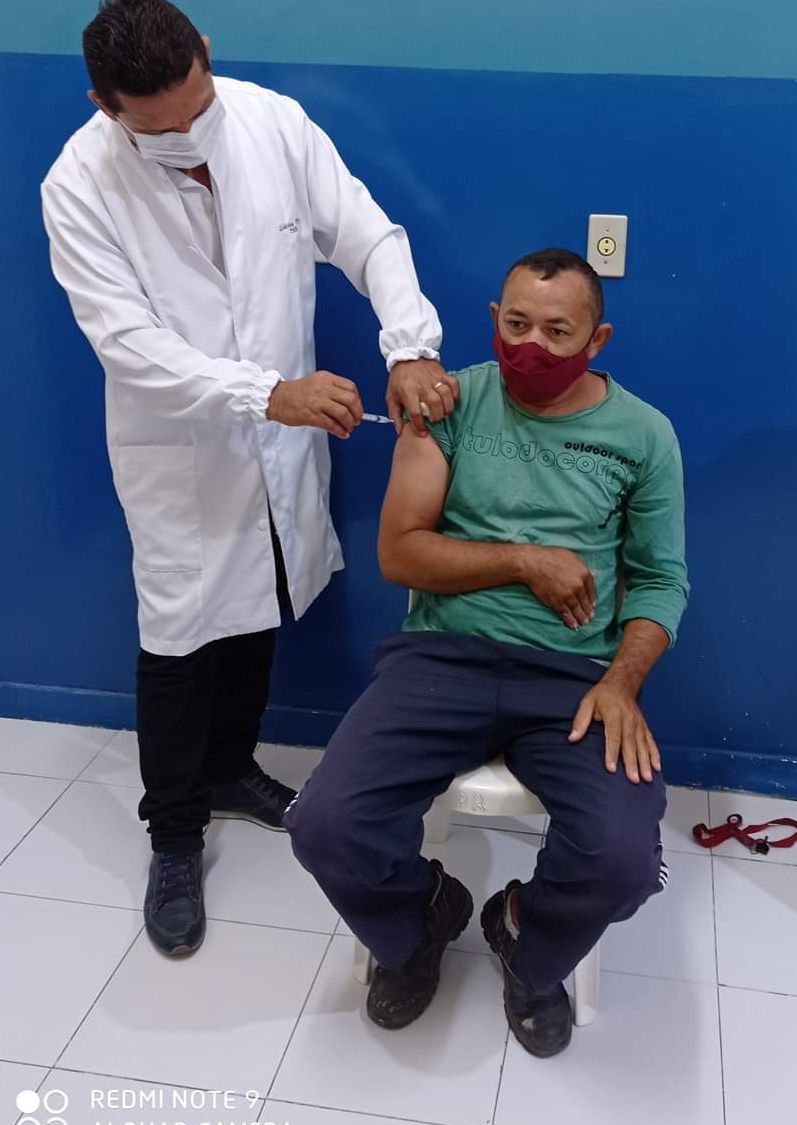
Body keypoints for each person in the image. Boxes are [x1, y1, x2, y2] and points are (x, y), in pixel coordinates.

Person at [41, 0, 458, 959]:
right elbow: (128, 346)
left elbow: (367, 233)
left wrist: (409, 343)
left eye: (198, 106)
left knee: (263, 595)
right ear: (106, 105)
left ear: (205, 50)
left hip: (282, 434)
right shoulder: (79, 183)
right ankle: (174, 833)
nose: (189, 134)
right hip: (182, 448)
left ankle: (231, 767)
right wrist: (266, 394)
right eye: (160, 128)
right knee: (180, 636)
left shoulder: (272, 123)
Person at [285, 247, 687, 1056]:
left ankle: (527, 939)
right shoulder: (448, 403)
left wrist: (622, 682)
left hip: (576, 678)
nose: (531, 346)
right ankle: (418, 924)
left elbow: (659, 581)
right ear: (494, 319)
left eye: (557, 331)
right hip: (442, 659)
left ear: (598, 339)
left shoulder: (644, 435)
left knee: (623, 861)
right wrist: (525, 561)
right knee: (325, 826)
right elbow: (400, 551)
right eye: (517, 324)